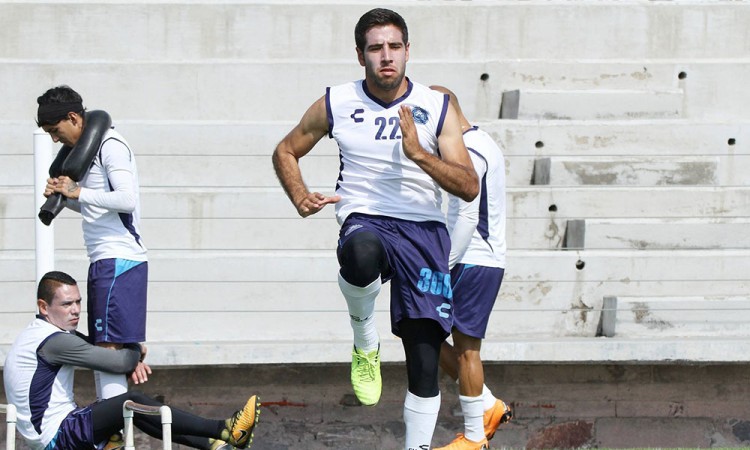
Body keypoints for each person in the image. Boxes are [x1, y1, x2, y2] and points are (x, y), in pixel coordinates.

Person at [272, 8, 478, 449]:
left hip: (424, 230)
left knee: (424, 358)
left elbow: (468, 185)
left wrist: (420, 155)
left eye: (394, 47)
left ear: (408, 51)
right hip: (365, 217)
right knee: (361, 254)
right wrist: (300, 195)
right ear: (360, 54)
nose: (386, 56)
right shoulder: (338, 101)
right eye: (376, 48)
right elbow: (286, 150)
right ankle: (365, 337)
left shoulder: (436, 106)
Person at [3, 271, 261, 450]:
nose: (76, 310)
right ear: (43, 307)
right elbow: (119, 362)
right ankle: (224, 429)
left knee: (133, 411)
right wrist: (135, 349)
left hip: (55, 431)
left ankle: (212, 443)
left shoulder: (40, 333)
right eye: (67, 304)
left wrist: (128, 357)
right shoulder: (55, 341)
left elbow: (105, 352)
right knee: (131, 402)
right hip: (59, 436)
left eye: (79, 302)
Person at [37, 85, 148, 402]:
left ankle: (111, 425)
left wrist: (77, 192)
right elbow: (96, 207)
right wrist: (65, 197)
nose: (55, 140)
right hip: (105, 259)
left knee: (107, 350)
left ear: (73, 118)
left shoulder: (111, 145)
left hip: (118, 259)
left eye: (55, 130)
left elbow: (126, 200)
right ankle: (114, 421)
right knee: (107, 347)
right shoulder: (87, 150)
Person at [430, 86, 512, 450]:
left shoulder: (471, 148)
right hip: (472, 257)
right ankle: (489, 405)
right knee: (422, 333)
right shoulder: (478, 142)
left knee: (466, 350)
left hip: (473, 258)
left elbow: (466, 214)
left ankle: (475, 438)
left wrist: (443, 264)